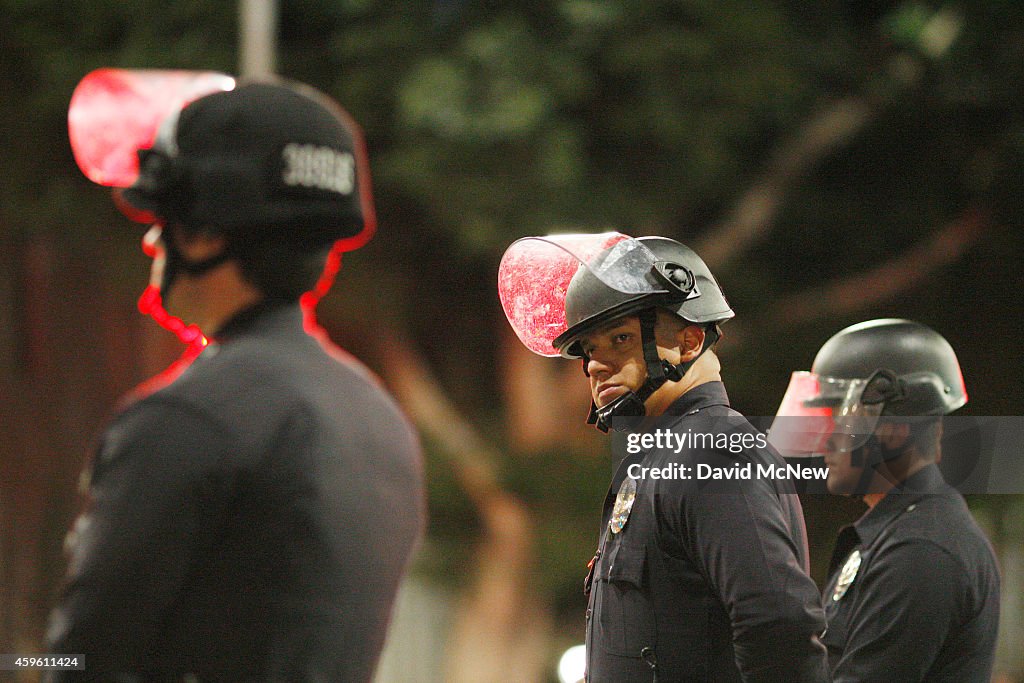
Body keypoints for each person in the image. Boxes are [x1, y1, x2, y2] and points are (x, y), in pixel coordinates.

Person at [47, 80, 425, 681]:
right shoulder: (379, 419)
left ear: (203, 235)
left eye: (163, 219)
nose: (150, 239)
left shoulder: (185, 419)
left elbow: (81, 654)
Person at [498, 233, 829, 682]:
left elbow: (779, 625)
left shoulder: (715, 449)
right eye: (590, 350)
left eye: (620, 338)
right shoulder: (661, 456)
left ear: (690, 342)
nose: (595, 365)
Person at [771, 318, 1000, 682]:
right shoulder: (903, 534)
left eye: (835, 419)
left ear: (892, 431)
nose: (824, 440)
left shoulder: (920, 550)